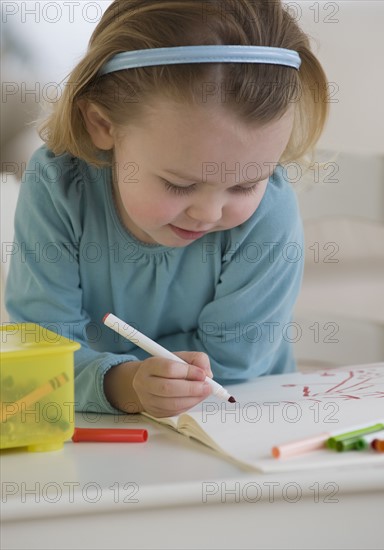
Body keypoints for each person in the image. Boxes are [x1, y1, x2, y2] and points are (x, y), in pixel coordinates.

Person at [6, 0, 328, 418]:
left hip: (239, 422)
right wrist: (125, 384)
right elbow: (41, 353)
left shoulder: (271, 209)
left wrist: (116, 370)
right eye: (180, 184)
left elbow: (235, 364)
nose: (209, 213)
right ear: (102, 125)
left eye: (246, 184)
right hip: (95, 434)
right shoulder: (58, 186)